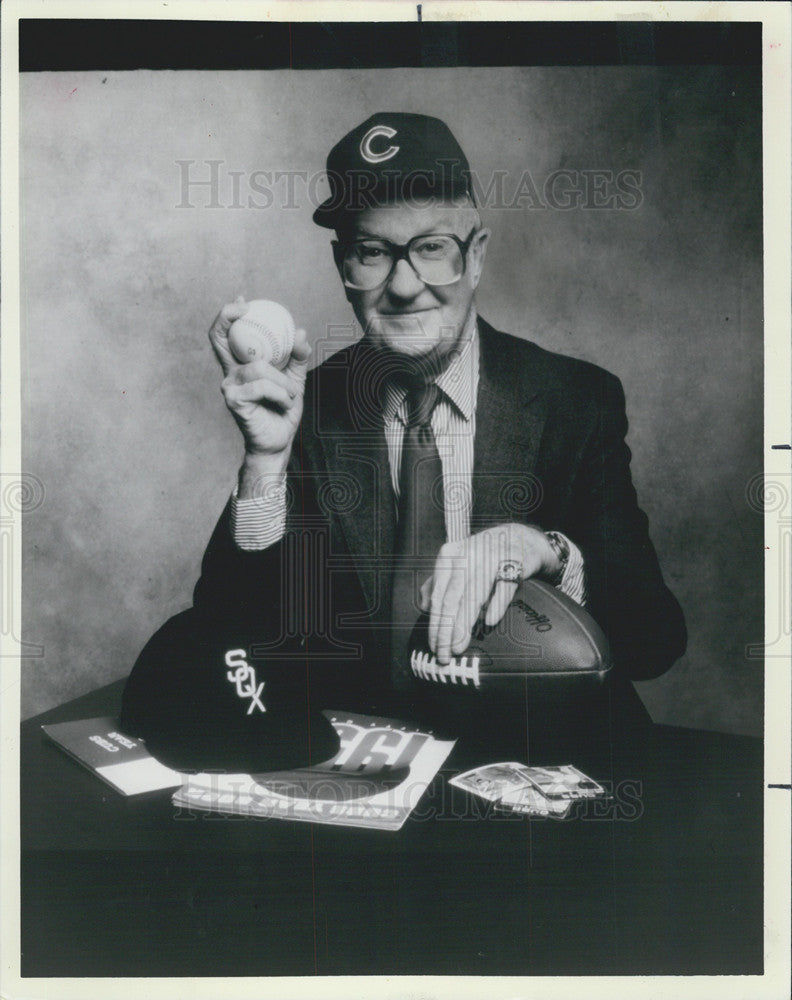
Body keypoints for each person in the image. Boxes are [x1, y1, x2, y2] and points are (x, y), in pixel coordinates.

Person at [122, 113, 686, 758]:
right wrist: (265, 461)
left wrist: (546, 550)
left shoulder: (573, 401)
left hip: (537, 759)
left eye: (431, 248)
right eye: (372, 252)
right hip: (369, 768)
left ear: (474, 256)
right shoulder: (310, 404)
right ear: (343, 267)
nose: (404, 285)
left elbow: (655, 641)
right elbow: (229, 632)